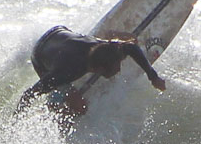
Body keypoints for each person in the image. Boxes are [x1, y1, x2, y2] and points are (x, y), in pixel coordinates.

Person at [17, 26, 165, 114]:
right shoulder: (65, 73)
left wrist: (153, 77)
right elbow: (29, 94)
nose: (119, 70)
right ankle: (59, 108)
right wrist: (17, 120)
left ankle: (110, 36)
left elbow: (132, 48)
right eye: (116, 68)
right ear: (99, 69)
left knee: (128, 41)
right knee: (79, 107)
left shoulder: (104, 49)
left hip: (60, 31)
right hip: (41, 55)